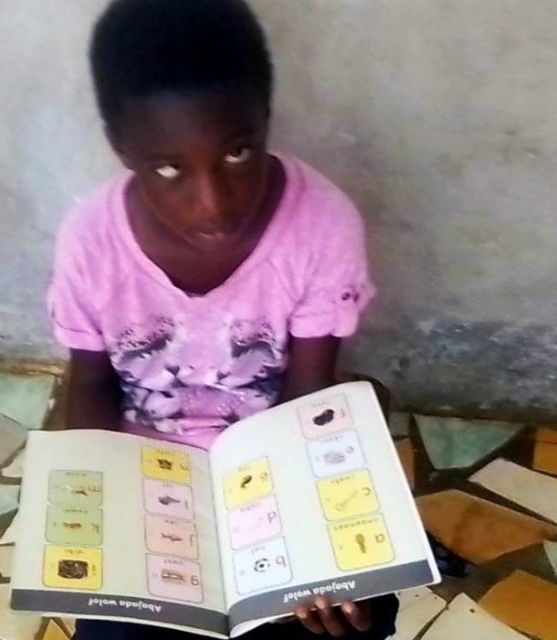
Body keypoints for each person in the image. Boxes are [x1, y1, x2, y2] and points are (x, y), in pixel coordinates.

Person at [47, 0, 396, 637]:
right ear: (122, 148)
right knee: (117, 628)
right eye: (171, 168)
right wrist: (115, 529)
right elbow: (92, 388)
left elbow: (306, 395)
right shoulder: (90, 242)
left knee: (348, 615)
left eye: (238, 154)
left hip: (272, 464)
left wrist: (306, 545)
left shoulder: (322, 223)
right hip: (150, 479)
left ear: (266, 121)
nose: (213, 204)